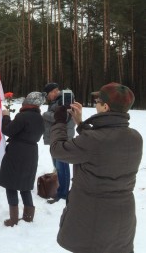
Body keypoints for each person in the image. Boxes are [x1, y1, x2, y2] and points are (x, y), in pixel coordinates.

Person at [50, 83, 142, 253]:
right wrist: (80, 123)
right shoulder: (135, 137)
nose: (96, 103)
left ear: (105, 107)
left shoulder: (94, 140)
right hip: (123, 218)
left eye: (98, 101)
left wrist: (59, 122)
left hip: (93, 218)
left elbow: (58, 150)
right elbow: (103, 145)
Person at [0, 92, 45, 227]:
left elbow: (7, 130)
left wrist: (6, 116)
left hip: (17, 152)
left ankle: (13, 219)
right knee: (25, 185)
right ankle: (28, 216)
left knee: (11, 184)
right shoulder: (39, 118)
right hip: (31, 153)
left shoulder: (23, 116)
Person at [42, 82, 75, 203]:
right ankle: (61, 188)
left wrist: (45, 114)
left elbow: (64, 117)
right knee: (58, 165)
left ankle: (63, 193)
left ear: (53, 92)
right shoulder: (58, 101)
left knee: (62, 166)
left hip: (63, 136)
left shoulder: (65, 100)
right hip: (57, 136)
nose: (47, 97)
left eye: (48, 94)